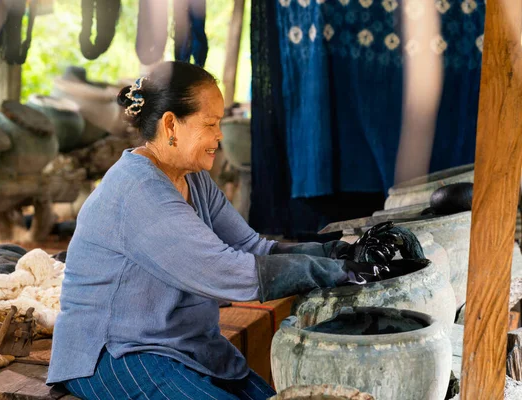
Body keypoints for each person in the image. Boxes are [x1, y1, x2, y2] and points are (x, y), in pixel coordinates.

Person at [47, 61, 391, 400]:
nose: (219, 135)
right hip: (114, 353)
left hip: (181, 344)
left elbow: (251, 245)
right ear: (171, 125)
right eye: (210, 123)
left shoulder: (193, 179)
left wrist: (336, 253)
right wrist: (334, 272)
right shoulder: (138, 190)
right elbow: (224, 270)